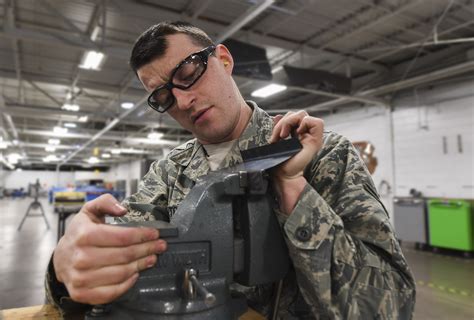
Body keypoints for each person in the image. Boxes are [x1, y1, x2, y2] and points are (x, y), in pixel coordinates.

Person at [46, 21, 416, 319]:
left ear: (223, 59)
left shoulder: (321, 154)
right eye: (163, 97)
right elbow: (120, 262)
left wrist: (292, 188)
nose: (183, 100)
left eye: (188, 72)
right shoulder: (168, 172)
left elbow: (391, 304)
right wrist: (65, 271)